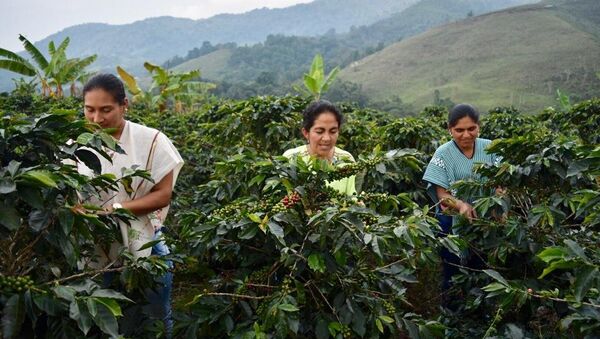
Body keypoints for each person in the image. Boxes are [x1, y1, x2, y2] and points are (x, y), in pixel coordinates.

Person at [78, 73, 184, 336]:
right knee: (101, 320)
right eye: (89, 110)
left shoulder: (151, 140)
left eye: (106, 110)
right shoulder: (75, 144)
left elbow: (162, 195)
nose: (97, 119)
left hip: (145, 240)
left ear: (124, 104)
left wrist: (114, 210)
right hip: (94, 247)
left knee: (156, 317)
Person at [422, 103, 501, 295]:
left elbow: (502, 183)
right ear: (450, 130)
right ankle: (452, 312)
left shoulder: (490, 148)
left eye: (471, 129)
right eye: (459, 130)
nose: (466, 135)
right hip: (451, 220)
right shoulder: (442, 153)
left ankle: (479, 309)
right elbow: (442, 194)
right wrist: (461, 205)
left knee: (483, 267)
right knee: (453, 271)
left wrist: (499, 204)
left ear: (478, 127)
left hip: (486, 220)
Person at [283, 100, 356, 196]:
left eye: (333, 131)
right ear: (306, 133)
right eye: (319, 132)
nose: (326, 138)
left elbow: (352, 198)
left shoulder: (347, 160)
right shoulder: (291, 158)